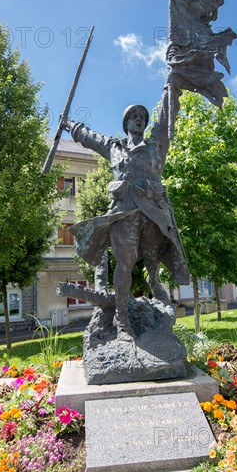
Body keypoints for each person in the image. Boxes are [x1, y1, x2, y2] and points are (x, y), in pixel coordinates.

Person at [65, 88, 189, 340]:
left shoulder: (156, 144)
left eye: (142, 116)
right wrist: (69, 124)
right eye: (133, 116)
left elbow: (166, 116)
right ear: (126, 123)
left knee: (153, 264)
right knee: (125, 262)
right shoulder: (114, 147)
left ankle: (161, 301)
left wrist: (171, 87)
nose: (138, 118)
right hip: (124, 214)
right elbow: (89, 137)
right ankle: (122, 320)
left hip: (153, 214)